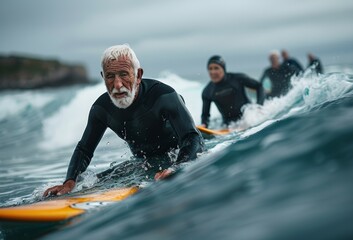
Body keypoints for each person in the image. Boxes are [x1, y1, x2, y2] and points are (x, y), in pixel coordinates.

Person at [43, 44, 204, 197]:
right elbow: (84, 149)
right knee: (88, 183)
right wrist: (69, 182)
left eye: (124, 74)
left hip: (177, 155)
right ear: (103, 77)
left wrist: (178, 167)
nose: (117, 84)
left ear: (138, 75)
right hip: (142, 163)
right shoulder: (101, 109)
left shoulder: (164, 96)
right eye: (110, 76)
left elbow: (192, 137)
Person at [201, 55, 265, 128]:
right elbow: (205, 115)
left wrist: (259, 106)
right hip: (228, 125)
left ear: (223, 69)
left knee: (246, 123)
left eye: (216, 68)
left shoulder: (237, 78)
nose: (213, 72)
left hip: (248, 117)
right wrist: (204, 124)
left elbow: (259, 86)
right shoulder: (207, 91)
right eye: (210, 69)